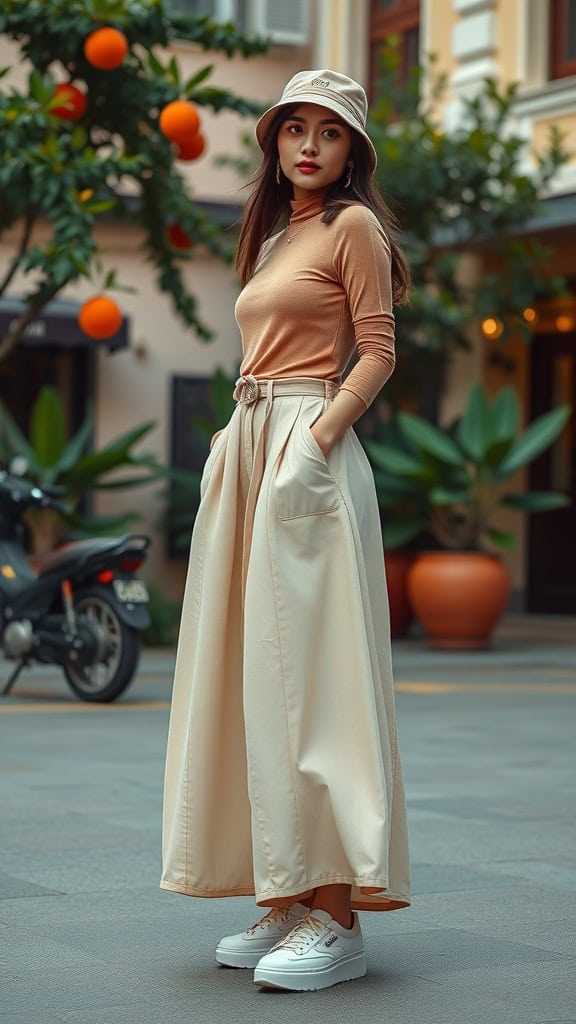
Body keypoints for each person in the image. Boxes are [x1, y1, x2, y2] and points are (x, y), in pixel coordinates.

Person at [161, 69, 411, 992]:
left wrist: (315, 438)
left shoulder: (353, 228)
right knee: (253, 675)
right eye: (293, 128)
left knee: (318, 681)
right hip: (253, 443)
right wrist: (241, 441)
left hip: (307, 446)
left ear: (353, 153)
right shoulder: (274, 237)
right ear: (274, 142)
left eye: (329, 133)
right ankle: (292, 892)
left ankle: (339, 919)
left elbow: (378, 351)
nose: (308, 145)